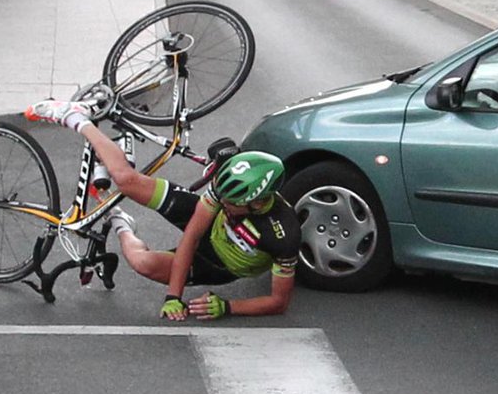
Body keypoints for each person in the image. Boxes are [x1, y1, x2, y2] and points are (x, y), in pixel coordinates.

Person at [24, 99, 301, 320]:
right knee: (126, 181)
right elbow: (192, 237)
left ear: (257, 202)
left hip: (219, 265)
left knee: (142, 263)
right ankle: (76, 118)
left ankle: (120, 221)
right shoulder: (225, 193)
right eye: (222, 197)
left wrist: (228, 307)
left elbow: (278, 302)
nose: (223, 204)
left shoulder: (283, 234)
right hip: (206, 230)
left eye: (231, 204)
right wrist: (173, 297)